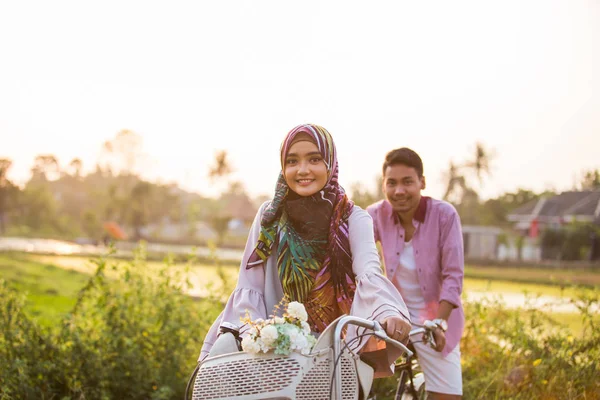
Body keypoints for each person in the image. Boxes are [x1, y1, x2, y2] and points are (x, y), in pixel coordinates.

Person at [199, 124, 411, 377]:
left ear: (330, 163)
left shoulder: (354, 218)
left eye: (314, 159)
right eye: (292, 161)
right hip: (272, 351)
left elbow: (369, 271)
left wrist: (388, 312)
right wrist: (256, 336)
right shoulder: (270, 217)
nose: (302, 170)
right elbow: (250, 284)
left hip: (333, 349)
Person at [366, 147, 465, 399]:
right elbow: (357, 258)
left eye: (407, 182)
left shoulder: (444, 215)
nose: (399, 191)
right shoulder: (374, 215)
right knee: (353, 374)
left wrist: (440, 323)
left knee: (447, 395)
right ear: (384, 185)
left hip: (435, 320)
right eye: (392, 183)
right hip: (391, 316)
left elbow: (454, 276)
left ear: (422, 182)